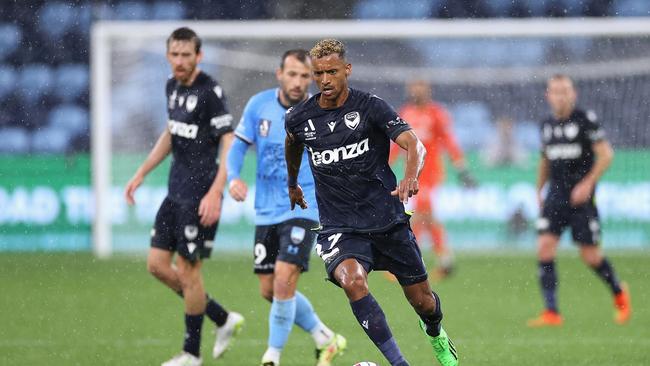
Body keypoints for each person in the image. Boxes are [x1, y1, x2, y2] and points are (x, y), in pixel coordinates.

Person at [285, 39, 458, 366]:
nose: (325, 80)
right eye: (318, 74)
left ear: (346, 70)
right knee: (353, 281)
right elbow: (293, 144)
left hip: (387, 220)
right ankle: (399, 363)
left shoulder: (371, 107)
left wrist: (410, 176)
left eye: (332, 72)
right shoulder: (300, 118)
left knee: (424, 303)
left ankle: (435, 332)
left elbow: (414, 145)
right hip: (340, 225)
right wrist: (292, 183)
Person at [124, 27, 244, 366]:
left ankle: (191, 354)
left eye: (186, 55)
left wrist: (216, 191)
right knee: (157, 266)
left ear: (198, 56)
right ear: (168, 56)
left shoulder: (211, 92)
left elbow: (228, 140)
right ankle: (222, 318)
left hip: (200, 194)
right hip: (175, 192)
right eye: (174, 55)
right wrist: (142, 171)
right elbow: (171, 133)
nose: (179, 61)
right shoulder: (171, 86)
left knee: (188, 271)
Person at [226, 49, 346, 366]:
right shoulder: (258, 105)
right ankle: (325, 337)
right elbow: (238, 146)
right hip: (266, 209)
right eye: (292, 74)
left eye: (305, 76)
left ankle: (272, 356)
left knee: (284, 277)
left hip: (304, 207)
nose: (298, 82)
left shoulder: (321, 111)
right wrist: (233, 177)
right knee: (271, 289)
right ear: (279, 74)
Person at [527, 74, 631, 327]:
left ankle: (619, 291)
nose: (560, 96)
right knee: (544, 247)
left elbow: (606, 155)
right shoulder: (546, 125)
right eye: (556, 91)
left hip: (581, 199)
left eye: (565, 91)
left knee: (590, 256)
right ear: (548, 95)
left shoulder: (585, 120)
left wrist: (587, 183)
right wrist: (539, 189)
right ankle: (552, 312)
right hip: (555, 196)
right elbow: (545, 159)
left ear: (574, 94)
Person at [391, 80, 475, 280]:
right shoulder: (406, 112)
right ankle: (444, 261)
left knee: (421, 215)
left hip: (430, 173)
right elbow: (396, 144)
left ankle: (409, 262)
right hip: (411, 174)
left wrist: (462, 168)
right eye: (413, 88)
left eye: (420, 88)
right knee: (425, 217)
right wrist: (382, 163)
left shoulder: (437, 113)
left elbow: (449, 142)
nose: (415, 92)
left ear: (427, 91)